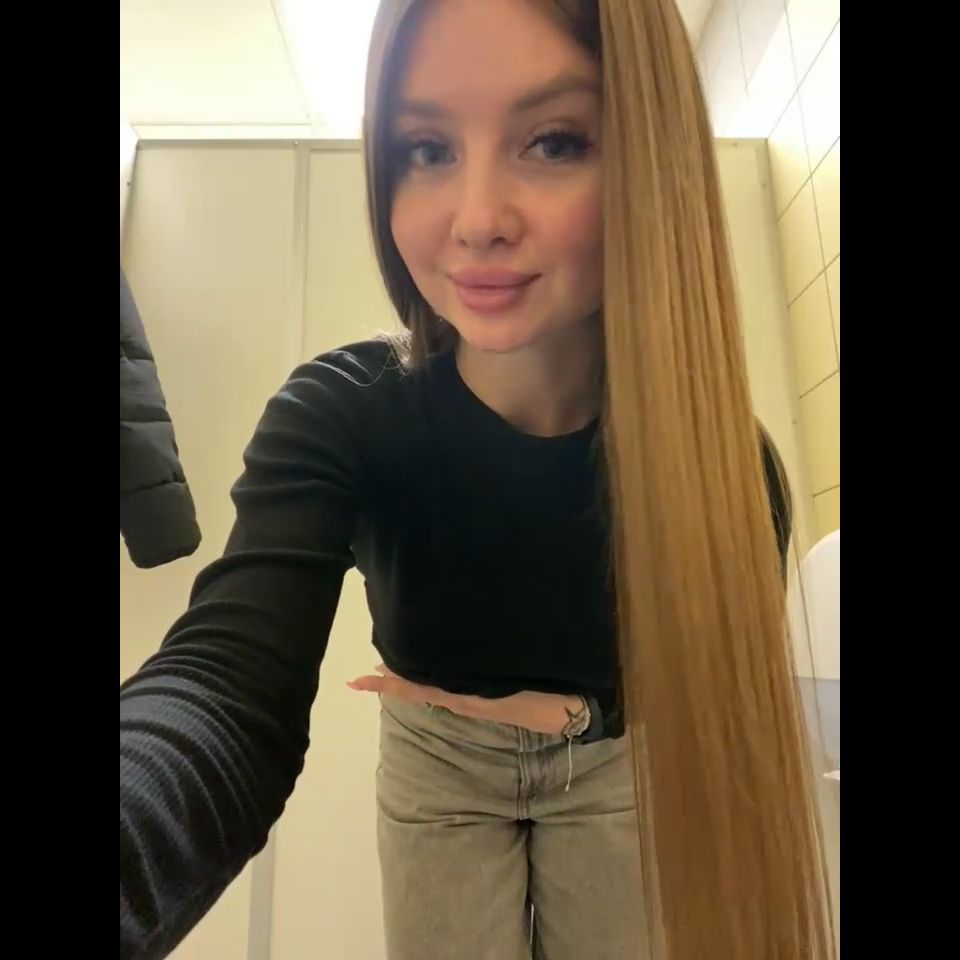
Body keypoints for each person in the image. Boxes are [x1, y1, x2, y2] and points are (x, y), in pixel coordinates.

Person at [120, 2, 832, 959]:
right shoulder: (340, 412)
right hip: (437, 757)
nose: (478, 220)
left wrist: (572, 716)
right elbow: (224, 686)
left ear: (647, 163)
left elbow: (709, 695)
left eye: (554, 141)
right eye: (426, 149)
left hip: (613, 757)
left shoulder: (723, 463)